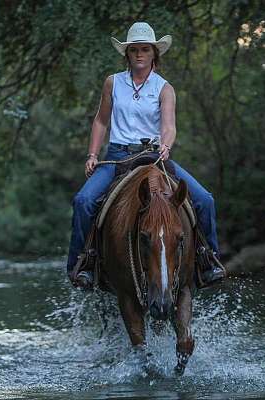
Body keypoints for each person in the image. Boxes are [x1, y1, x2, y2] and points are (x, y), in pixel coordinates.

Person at [67, 22, 225, 288]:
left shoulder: (165, 88)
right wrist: (92, 154)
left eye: (145, 50)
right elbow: (101, 121)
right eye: (134, 50)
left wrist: (166, 144)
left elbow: (169, 125)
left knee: (205, 200)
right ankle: (82, 264)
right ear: (127, 54)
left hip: (155, 156)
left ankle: (208, 259)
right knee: (83, 201)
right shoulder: (113, 83)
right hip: (118, 157)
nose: (139, 54)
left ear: (154, 53)